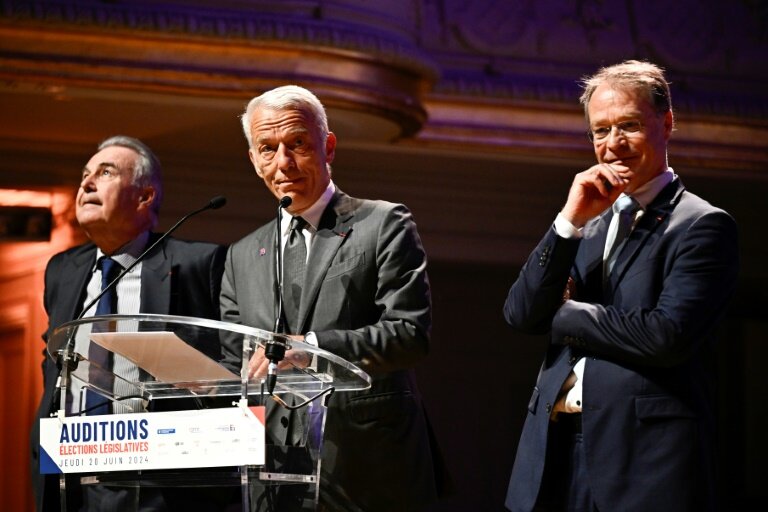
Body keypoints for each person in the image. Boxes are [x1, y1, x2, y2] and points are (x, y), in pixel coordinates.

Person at [503, 60, 739, 512]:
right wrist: (568, 222)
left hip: (641, 465)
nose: (612, 144)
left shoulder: (703, 226)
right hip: (554, 454)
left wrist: (567, 314)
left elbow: (665, 336)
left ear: (667, 123)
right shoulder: (588, 218)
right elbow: (521, 314)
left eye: (628, 125)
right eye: (600, 131)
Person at [219, 85, 447, 511]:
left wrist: (311, 349)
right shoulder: (242, 255)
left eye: (298, 144)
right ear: (253, 161)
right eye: (267, 149)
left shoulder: (382, 224)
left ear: (328, 146)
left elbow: (409, 334)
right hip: (275, 478)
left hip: (367, 467)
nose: (283, 162)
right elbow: (238, 365)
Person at [30, 136, 228, 512]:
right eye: (85, 175)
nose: (86, 183)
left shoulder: (198, 264)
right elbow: (52, 362)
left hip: (158, 477)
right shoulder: (62, 270)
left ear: (144, 197)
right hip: (71, 472)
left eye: (105, 173)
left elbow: (225, 365)